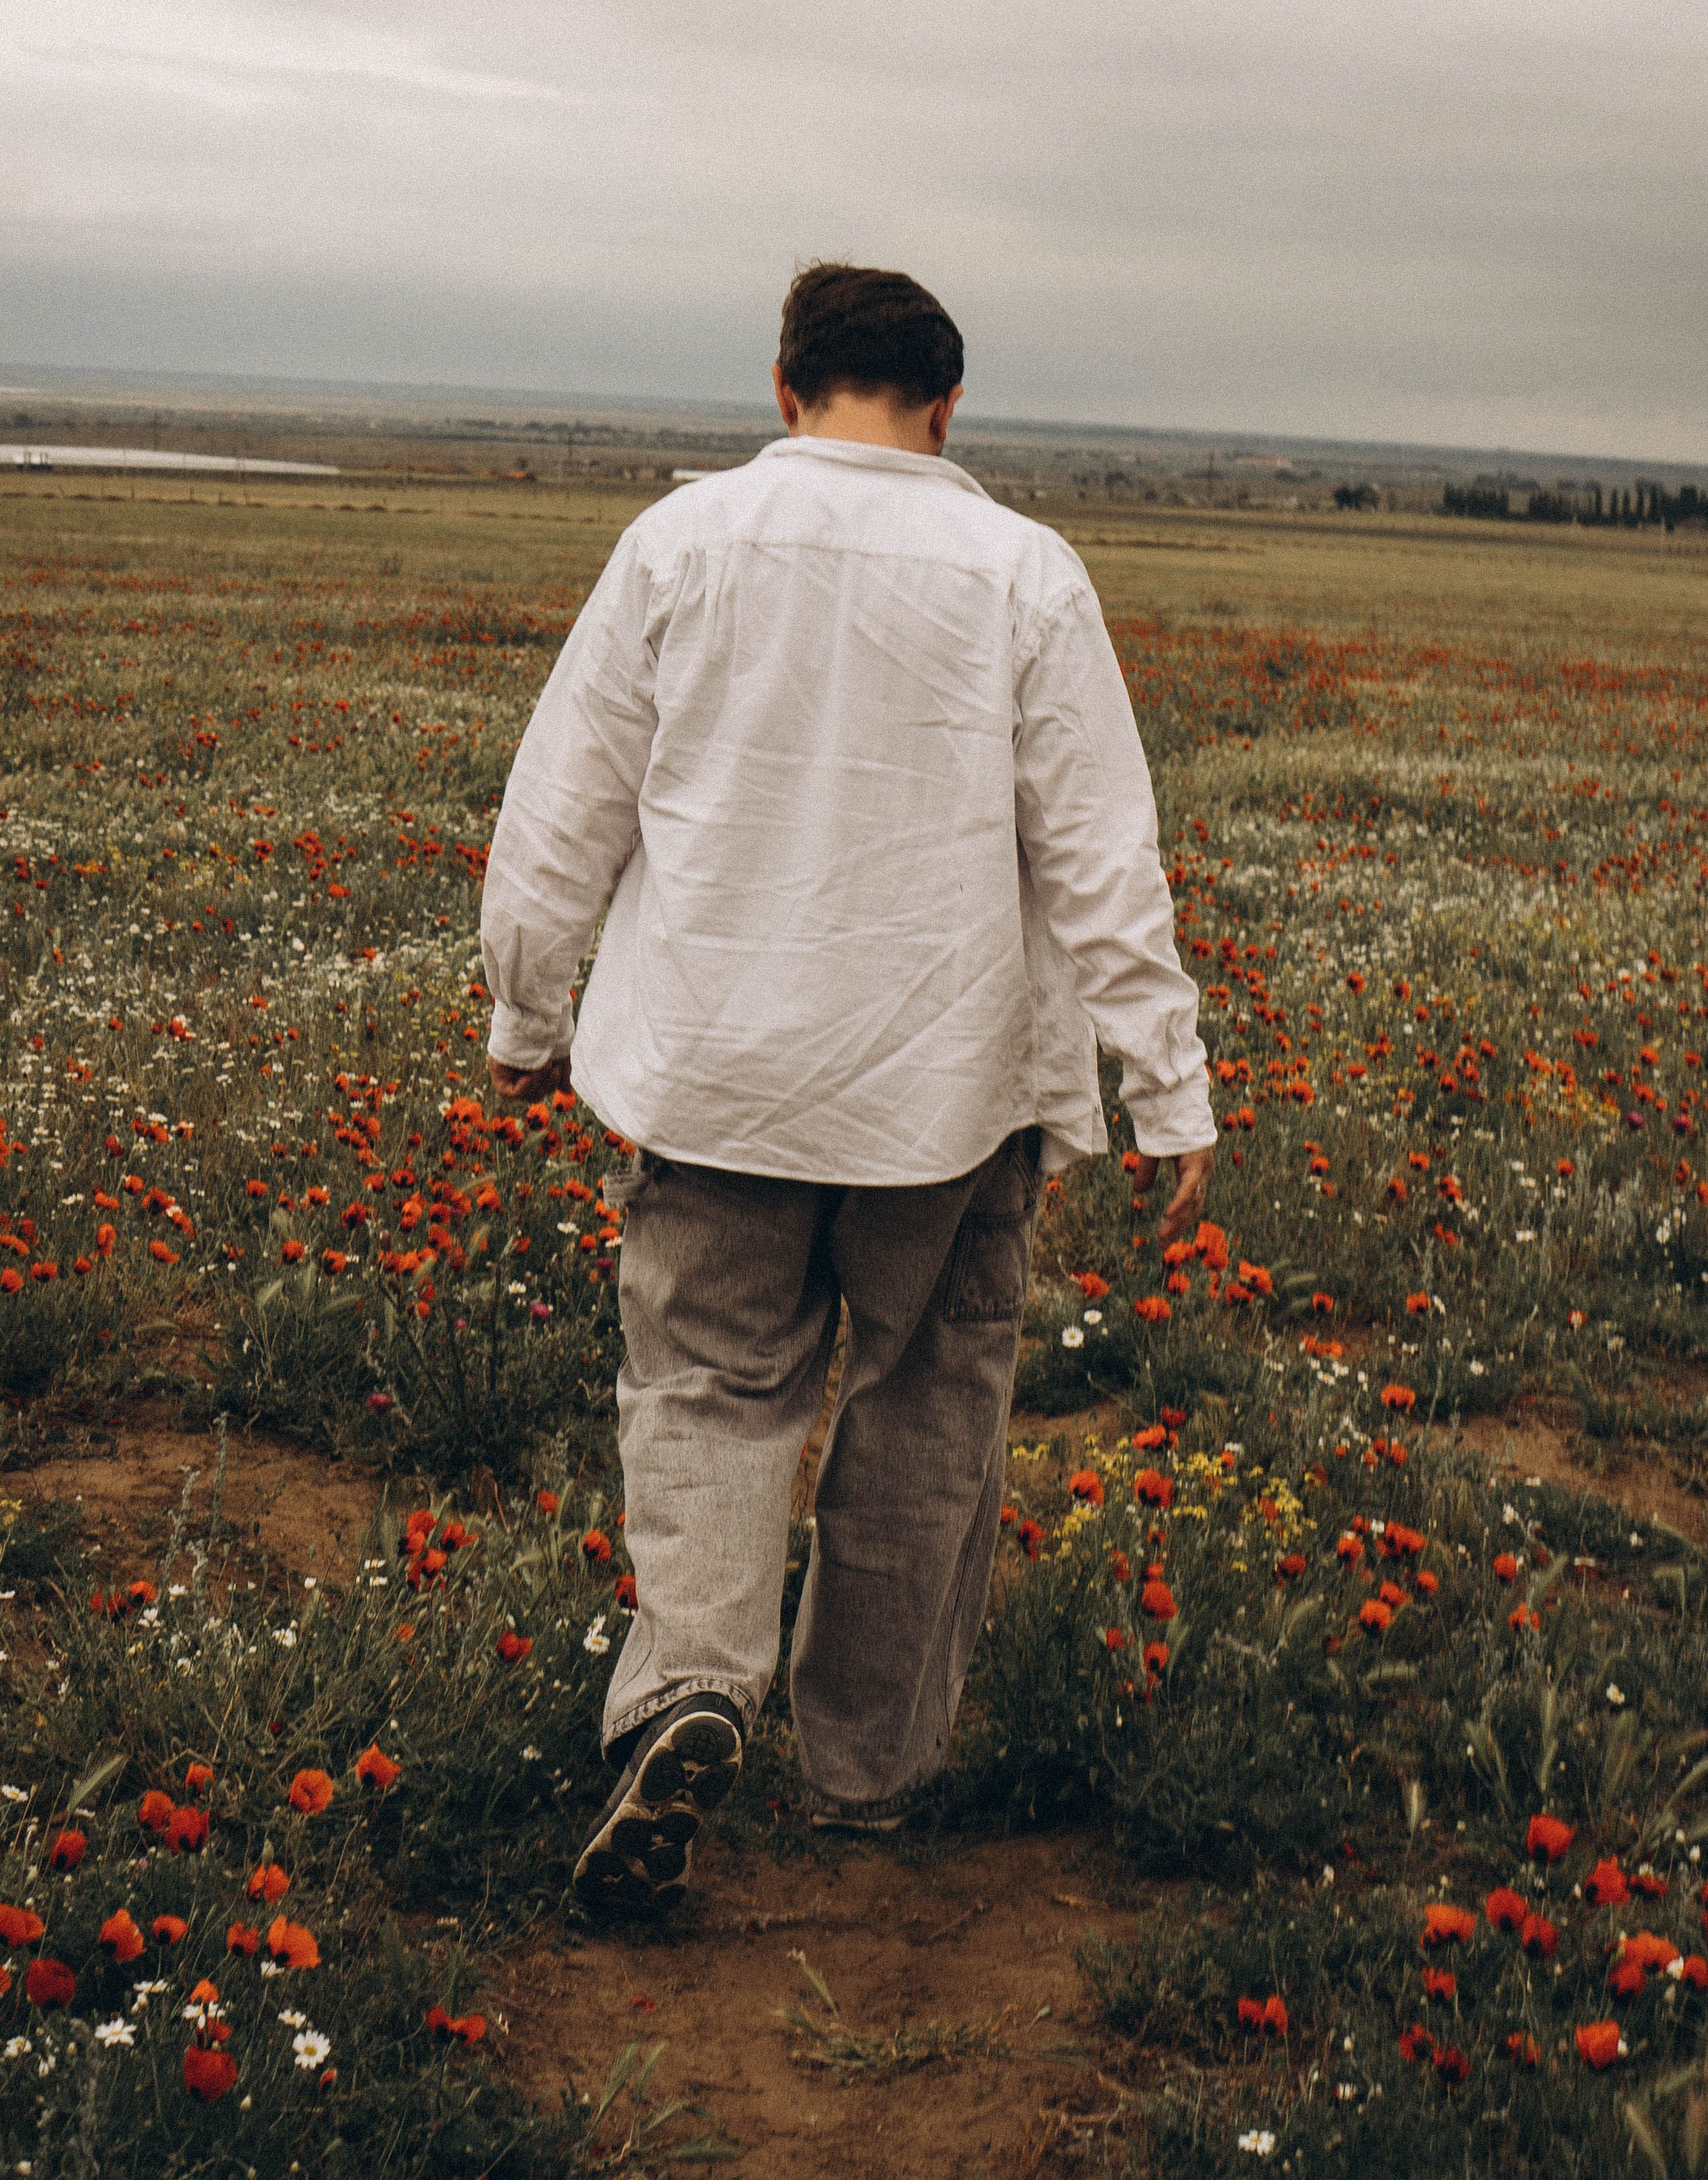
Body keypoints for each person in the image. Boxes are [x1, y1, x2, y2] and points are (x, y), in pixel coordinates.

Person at [479, 261, 1215, 1920]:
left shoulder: (676, 543)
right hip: (946, 1093)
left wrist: (528, 1016)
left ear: (782, 382)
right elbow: (1103, 849)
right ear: (948, 404)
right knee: (926, 1407)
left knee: (708, 1388)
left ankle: (690, 1686)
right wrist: (1164, 1080)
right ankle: (868, 1779)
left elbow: (560, 810)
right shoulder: (1025, 571)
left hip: (718, 1075)